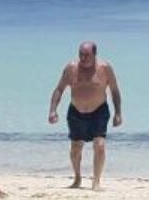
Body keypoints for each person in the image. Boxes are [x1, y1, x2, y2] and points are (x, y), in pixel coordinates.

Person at [48, 41, 123, 190]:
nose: (83, 58)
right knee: (76, 148)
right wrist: (53, 110)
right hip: (76, 112)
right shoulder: (71, 68)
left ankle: (96, 181)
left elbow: (114, 90)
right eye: (81, 54)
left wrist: (118, 113)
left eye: (87, 55)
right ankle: (77, 178)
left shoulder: (105, 68)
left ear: (95, 54)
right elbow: (59, 89)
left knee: (99, 145)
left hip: (99, 111)